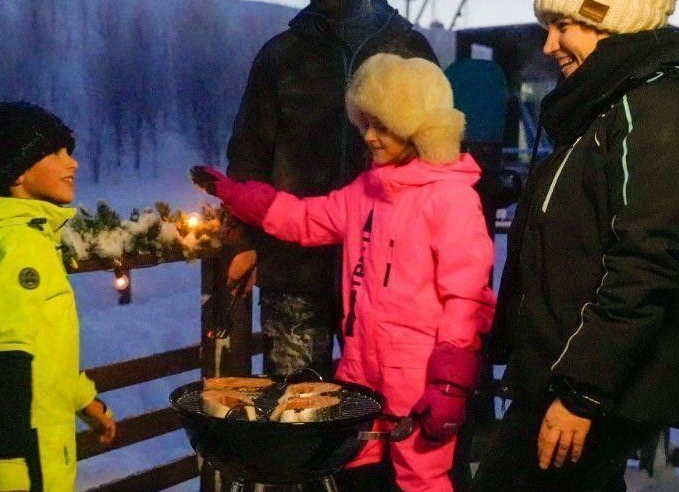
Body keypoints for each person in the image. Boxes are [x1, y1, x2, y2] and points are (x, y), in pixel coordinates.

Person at [474, 0, 679, 491]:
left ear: (613, 17)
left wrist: (582, 392)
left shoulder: (662, 111)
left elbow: (646, 265)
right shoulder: (608, 109)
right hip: (563, 374)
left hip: (589, 387)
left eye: (564, 25)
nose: (549, 44)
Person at [197, 53, 496, 492]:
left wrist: (450, 383)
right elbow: (306, 219)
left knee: (423, 481)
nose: (370, 137)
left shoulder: (450, 200)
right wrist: (241, 197)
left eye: (383, 125)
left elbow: (467, 297)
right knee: (358, 473)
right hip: (363, 368)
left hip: (419, 379)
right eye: (366, 124)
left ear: (417, 127)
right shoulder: (368, 190)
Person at [225, 0, 438, 378]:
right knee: (296, 405)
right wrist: (243, 241)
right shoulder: (281, 54)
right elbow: (249, 152)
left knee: (385, 402)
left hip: (385, 268)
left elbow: (435, 152)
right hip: (294, 267)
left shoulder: (406, 50)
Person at [0, 87, 116, 492]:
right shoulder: (16, 244)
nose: (74, 162)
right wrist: (11, 463)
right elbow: (9, 361)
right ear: (16, 171)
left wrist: (84, 400)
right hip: (21, 440)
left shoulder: (22, 235)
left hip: (21, 428)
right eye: (58, 153)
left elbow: (42, 348)